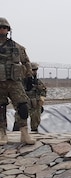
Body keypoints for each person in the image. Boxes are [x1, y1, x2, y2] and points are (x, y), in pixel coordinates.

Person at [0, 17, 35, 145]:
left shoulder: (16, 46)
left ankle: (24, 133)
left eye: (4, 27)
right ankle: (2, 132)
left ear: (8, 30)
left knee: (23, 106)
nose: (2, 30)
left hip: (14, 82)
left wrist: (29, 76)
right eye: (0, 27)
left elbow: (26, 61)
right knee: (1, 108)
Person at [18, 63, 47, 132]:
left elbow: (43, 90)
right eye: (33, 70)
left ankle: (34, 131)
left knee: (35, 118)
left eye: (35, 70)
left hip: (35, 103)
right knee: (19, 118)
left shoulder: (37, 81)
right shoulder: (21, 81)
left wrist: (41, 99)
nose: (35, 72)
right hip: (24, 101)